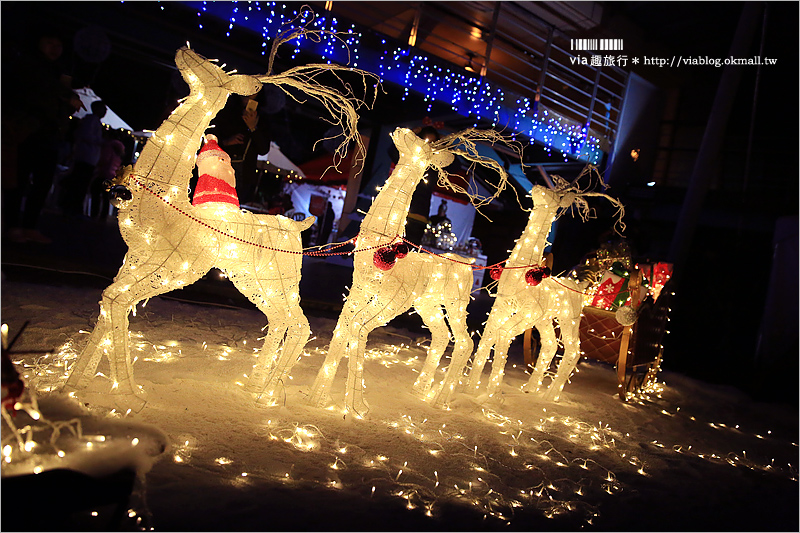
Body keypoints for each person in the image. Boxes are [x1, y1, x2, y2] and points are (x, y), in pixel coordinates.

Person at [3, 30, 83, 244]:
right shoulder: (29, 65)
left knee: (42, 181)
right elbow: (41, 87)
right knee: (19, 179)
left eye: (58, 44)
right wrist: (67, 95)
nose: (55, 48)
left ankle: (30, 226)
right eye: (49, 42)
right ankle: (13, 226)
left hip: (50, 133)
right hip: (27, 130)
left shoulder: (60, 70)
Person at [210, 92, 272, 205]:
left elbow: (263, 149)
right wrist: (226, 142)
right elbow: (210, 137)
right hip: (219, 167)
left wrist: (253, 128)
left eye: (253, 91)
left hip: (243, 175)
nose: (248, 94)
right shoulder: (226, 111)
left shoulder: (262, 119)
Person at [387, 125, 442, 247]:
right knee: (388, 253)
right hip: (399, 214)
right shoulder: (409, 160)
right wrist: (411, 133)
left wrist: (445, 144)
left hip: (419, 218)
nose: (428, 145)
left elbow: (455, 166)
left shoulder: (435, 165)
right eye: (425, 141)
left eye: (433, 143)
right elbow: (392, 150)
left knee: (407, 256)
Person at [62, 100, 106, 217]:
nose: (105, 111)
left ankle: (73, 207)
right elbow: (86, 136)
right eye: (103, 109)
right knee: (80, 184)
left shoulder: (94, 121)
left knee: (80, 183)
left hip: (88, 158)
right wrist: (100, 142)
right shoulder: (91, 120)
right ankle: (74, 207)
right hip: (86, 157)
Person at [90, 136, 126, 219]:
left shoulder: (109, 147)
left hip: (103, 173)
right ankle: (103, 216)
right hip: (112, 176)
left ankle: (94, 214)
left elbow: (104, 160)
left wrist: (97, 166)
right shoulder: (119, 151)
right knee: (106, 198)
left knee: (95, 193)